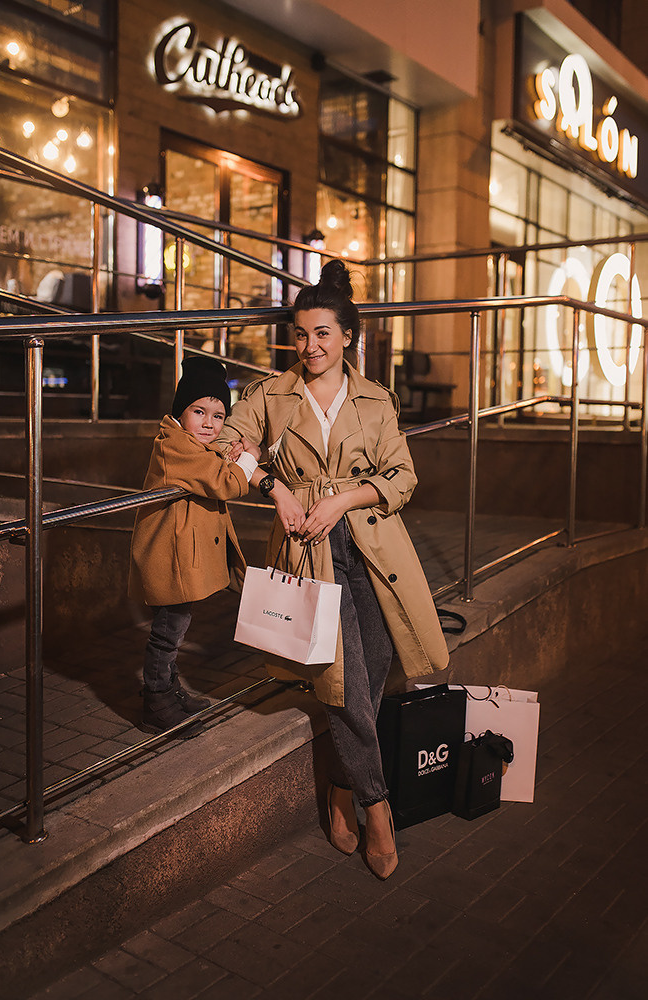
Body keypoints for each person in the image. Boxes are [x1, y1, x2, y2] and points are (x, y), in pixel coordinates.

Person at [217, 260, 448, 879]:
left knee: (370, 673)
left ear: (348, 336)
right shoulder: (271, 394)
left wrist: (345, 497)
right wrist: (274, 487)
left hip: (372, 547)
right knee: (342, 679)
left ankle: (342, 788)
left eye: (323, 333)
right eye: (301, 334)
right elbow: (226, 442)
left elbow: (403, 476)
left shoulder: (375, 400)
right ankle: (377, 807)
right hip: (307, 549)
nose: (310, 346)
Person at [129, 356, 260, 735]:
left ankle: (168, 689)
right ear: (179, 412)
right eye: (198, 411)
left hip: (181, 553)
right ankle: (156, 700)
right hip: (171, 556)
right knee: (168, 631)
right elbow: (226, 483)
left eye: (218, 416)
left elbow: (211, 465)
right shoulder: (174, 446)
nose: (208, 423)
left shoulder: (188, 443)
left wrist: (227, 453)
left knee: (177, 623)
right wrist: (248, 459)